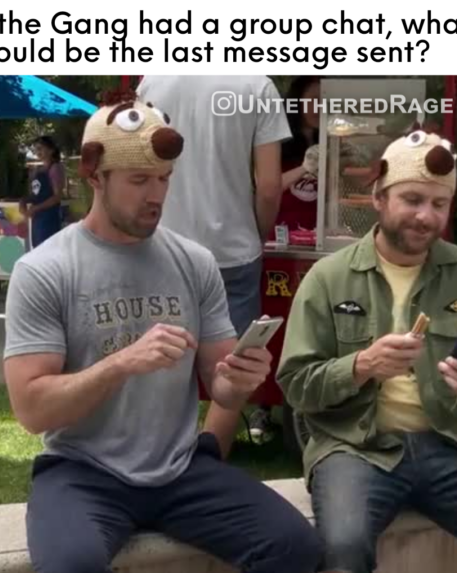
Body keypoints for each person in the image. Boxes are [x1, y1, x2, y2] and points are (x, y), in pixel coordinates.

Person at [3, 92, 322, 573]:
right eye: (139, 180)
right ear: (95, 176)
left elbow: (221, 384)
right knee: (72, 565)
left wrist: (238, 381)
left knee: (296, 547)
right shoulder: (45, 270)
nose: (156, 195)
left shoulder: (194, 262)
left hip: (180, 469)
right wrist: (121, 363)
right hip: (83, 473)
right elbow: (32, 410)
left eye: (164, 178)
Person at [277, 127, 457, 573]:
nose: (426, 216)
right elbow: (296, 384)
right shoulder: (328, 278)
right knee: (343, 549)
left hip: (450, 446)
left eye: (439, 204)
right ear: (379, 198)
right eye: (412, 199)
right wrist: (362, 365)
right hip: (355, 448)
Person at [137, 76, 291, 457]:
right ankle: (211, 463)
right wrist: (257, 233)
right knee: (233, 368)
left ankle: (157, 460)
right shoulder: (257, 86)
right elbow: (269, 186)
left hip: (163, 245)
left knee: (160, 361)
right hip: (233, 250)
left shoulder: (152, 80)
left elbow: (136, 164)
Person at [250, 76, 321, 443]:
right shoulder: (280, 142)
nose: (319, 107)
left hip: (318, 243)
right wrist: (306, 168)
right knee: (270, 324)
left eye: (326, 100)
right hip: (279, 240)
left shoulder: (335, 140)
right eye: (313, 99)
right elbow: (268, 184)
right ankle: (262, 405)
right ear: (296, 102)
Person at [20, 136, 65, 248]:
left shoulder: (55, 168)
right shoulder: (37, 171)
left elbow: (57, 197)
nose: (38, 151)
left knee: (48, 250)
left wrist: (36, 208)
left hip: (49, 219)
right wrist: (23, 201)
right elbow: (36, 195)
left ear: (51, 150)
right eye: (36, 149)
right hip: (37, 219)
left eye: (40, 148)